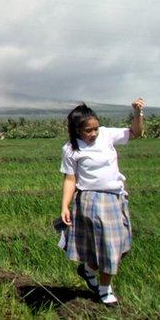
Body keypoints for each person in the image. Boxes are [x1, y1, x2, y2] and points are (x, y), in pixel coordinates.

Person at [59, 99, 145, 306]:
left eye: (95, 128)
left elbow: (136, 133)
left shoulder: (106, 134)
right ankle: (105, 289)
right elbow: (70, 179)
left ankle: (88, 269)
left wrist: (137, 113)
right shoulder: (71, 149)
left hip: (116, 198)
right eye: (88, 130)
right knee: (108, 247)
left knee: (120, 246)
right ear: (77, 130)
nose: (94, 133)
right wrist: (64, 206)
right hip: (91, 200)